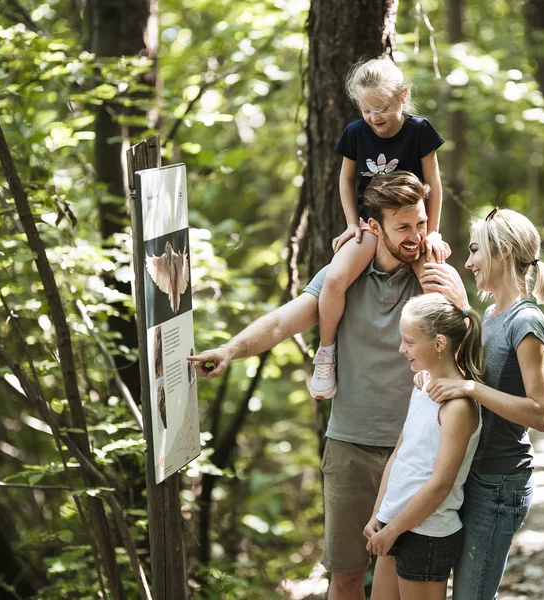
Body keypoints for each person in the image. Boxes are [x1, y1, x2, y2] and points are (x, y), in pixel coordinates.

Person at [188, 171, 467, 600]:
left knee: (400, 581)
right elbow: (283, 320)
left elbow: (467, 355)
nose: (416, 236)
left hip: (414, 454)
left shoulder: (433, 278)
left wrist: (459, 302)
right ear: (373, 227)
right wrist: (230, 349)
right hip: (349, 447)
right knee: (347, 575)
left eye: (421, 224)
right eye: (403, 227)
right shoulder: (342, 279)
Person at [421, 207, 544, 600]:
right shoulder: (492, 314)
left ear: (504, 252)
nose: (468, 262)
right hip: (476, 477)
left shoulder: (526, 321)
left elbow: (541, 413)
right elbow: (475, 375)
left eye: (476, 251)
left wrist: (469, 389)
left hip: (501, 484)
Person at [310, 57, 450, 401]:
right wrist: (350, 224)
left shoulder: (419, 131)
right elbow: (345, 178)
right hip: (371, 227)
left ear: (403, 97)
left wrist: (430, 231)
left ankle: (440, 363)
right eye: (367, 110)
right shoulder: (356, 132)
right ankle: (327, 353)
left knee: (434, 284)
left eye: (382, 109)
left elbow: (434, 182)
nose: (375, 118)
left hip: (411, 229)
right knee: (333, 279)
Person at [363, 293, 482, 600]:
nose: (402, 349)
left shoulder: (458, 408)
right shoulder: (422, 387)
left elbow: (440, 485)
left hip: (426, 534)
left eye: (410, 342)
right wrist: (380, 515)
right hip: (396, 522)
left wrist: (393, 530)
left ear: (440, 343)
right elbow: (399, 456)